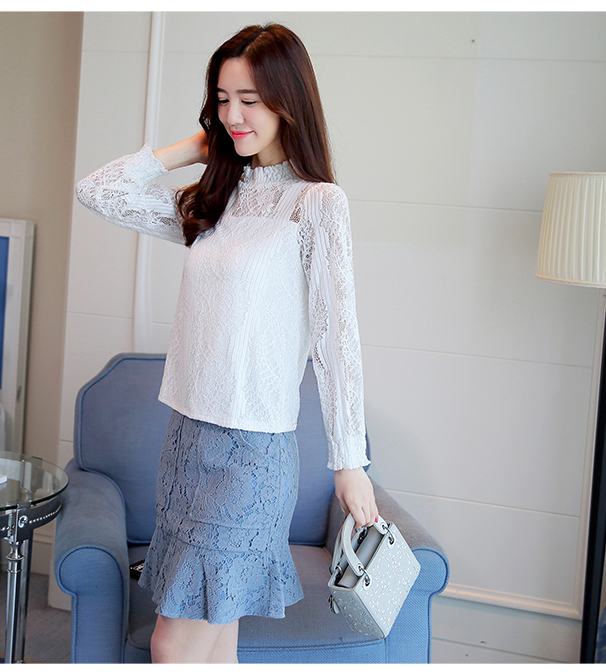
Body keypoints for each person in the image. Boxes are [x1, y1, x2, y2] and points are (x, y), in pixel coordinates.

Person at [75, 22, 379, 664]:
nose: (233, 115)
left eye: (250, 100)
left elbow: (337, 339)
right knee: (215, 638)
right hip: (188, 437)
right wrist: (194, 146)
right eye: (222, 99)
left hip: (253, 450)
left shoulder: (316, 204)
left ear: (288, 103)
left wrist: (349, 461)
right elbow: (97, 192)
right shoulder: (217, 199)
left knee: (174, 639)